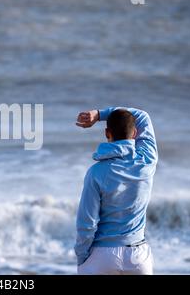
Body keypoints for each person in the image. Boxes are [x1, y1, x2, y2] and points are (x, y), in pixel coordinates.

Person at [74, 107, 158, 275]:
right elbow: (143, 116)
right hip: (137, 257)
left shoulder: (95, 172)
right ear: (134, 133)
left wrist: (82, 257)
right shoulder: (147, 160)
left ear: (107, 133)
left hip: (102, 256)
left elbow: (87, 222)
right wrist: (98, 114)